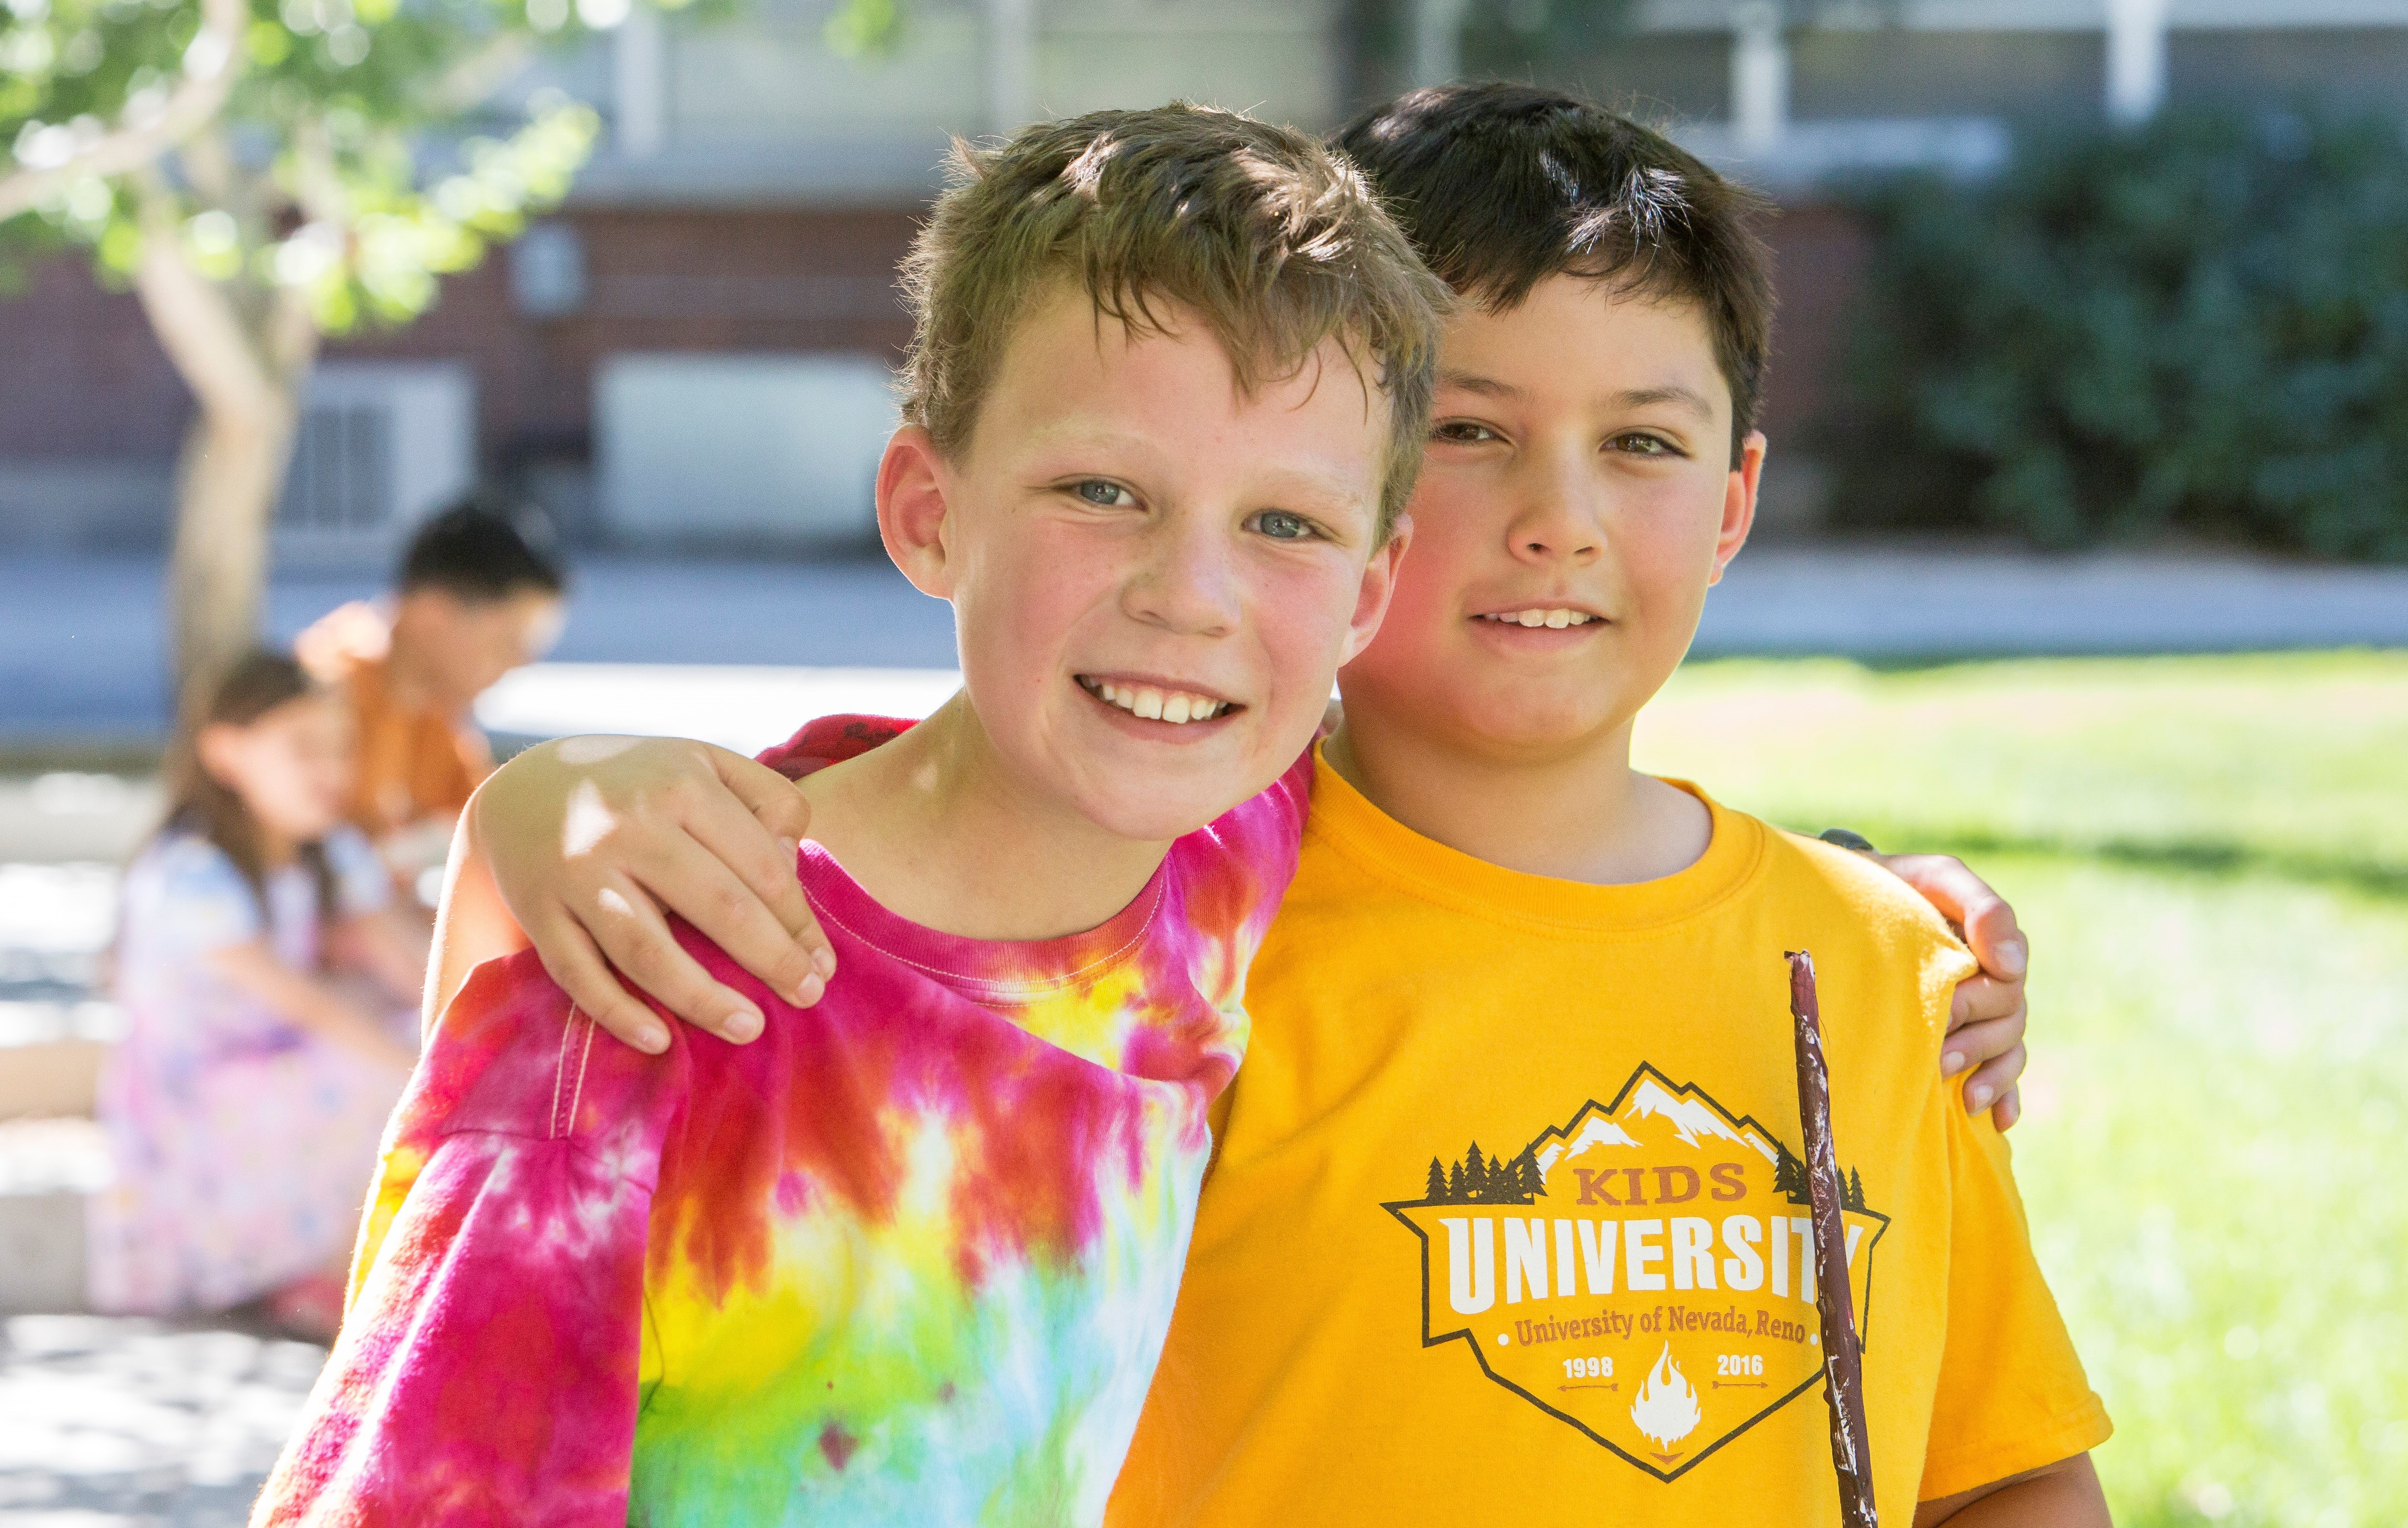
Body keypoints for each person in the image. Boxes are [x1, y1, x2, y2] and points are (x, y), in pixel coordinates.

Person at [440, 88, 2101, 1523]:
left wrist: (1873, 907)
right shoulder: (1157, 924)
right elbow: (896, 861)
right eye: (1464, 429)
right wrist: (539, 802)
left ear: (1735, 497)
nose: (1556, 519)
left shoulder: (1885, 972)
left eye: (1641, 445)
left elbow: (1998, 1463)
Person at [251, 102, 1446, 1525]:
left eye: (1286, 525)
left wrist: (524, 796)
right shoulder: (659, 998)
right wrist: (523, 811)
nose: (1192, 595)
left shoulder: (1236, 846)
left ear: (1369, 593)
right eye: (1102, 490)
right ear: (928, 512)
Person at [87, 651, 422, 1340]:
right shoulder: (190, 874)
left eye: (341, 747)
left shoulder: (328, 851)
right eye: (303, 748)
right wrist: (425, 1073)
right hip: (194, 1110)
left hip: (276, 1077)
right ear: (227, 752)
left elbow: (409, 961)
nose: (329, 769)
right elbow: (307, 1005)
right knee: (383, 1079)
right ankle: (329, 1277)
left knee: (410, 1036)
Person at [295, 493, 567, 898]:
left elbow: (486, 822)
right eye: (508, 643)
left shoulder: (435, 710)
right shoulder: (323, 696)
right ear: (434, 615)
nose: (519, 665)